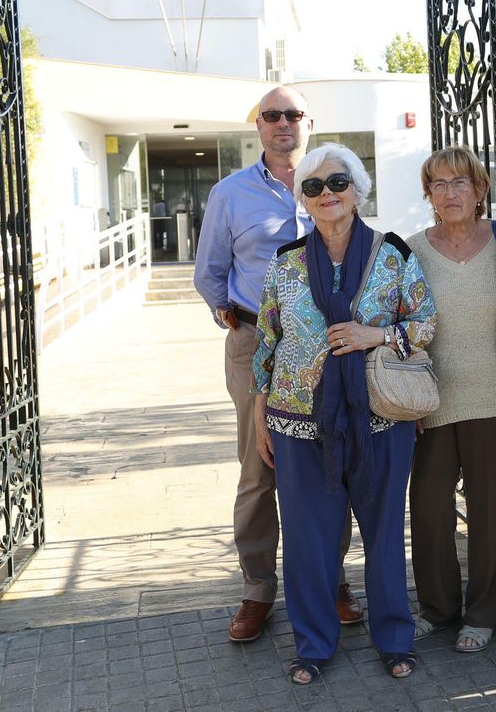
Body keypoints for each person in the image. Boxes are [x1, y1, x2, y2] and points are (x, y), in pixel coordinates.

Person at [251, 142, 437, 685]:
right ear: (303, 200)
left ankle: (394, 638)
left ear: (358, 190)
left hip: (378, 417)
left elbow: (424, 322)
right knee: (308, 538)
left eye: (337, 183)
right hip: (296, 419)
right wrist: (262, 408)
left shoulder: (393, 254)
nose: (326, 194)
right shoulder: (286, 264)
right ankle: (312, 644)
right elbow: (267, 338)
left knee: (383, 534)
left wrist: (374, 334)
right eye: (313, 187)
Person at [192, 86, 361, 643]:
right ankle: (258, 590)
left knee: (327, 461)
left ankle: (330, 581)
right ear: (258, 125)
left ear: (308, 122)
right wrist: (235, 320)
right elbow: (209, 271)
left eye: (292, 114)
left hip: (327, 347)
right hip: (252, 347)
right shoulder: (230, 193)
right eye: (272, 115)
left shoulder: (333, 181)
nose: (282, 123)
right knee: (259, 466)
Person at [406, 147, 496, 654]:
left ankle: (483, 613)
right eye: (438, 184)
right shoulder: (409, 251)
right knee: (429, 509)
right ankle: (437, 607)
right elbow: (396, 323)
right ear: (428, 195)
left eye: (460, 183)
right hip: (430, 399)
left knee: (491, 511)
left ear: (479, 189)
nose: (450, 193)